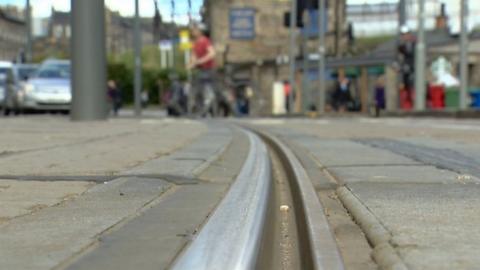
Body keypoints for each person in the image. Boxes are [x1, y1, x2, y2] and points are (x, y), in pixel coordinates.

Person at [188, 23, 217, 117]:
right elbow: (193, 56)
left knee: (207, 89)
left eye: (195, 30)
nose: (193, 32)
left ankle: (210, 108)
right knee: (198, 89)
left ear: (200, 31)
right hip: (201, 70)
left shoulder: (205, 41)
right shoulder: (195, 43)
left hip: (208, 69)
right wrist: (191, 64)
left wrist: (200, 61)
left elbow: (212, 53)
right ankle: (201, 110)